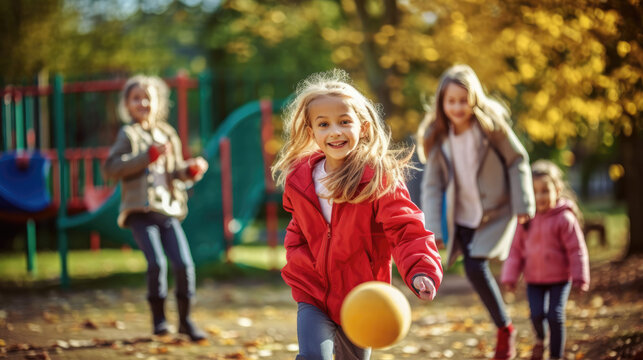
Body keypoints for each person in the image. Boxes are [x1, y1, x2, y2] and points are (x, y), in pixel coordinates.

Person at [271, 69, 443, 360]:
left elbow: (406, 228)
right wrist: (301, 264)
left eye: (344, 122)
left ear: (362, 127)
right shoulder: (300, 180)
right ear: (312, 132)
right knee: (313, 356)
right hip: (313, 293)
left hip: (362, 299)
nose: (335, 131)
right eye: (323, 124)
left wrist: (420, 269)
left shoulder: (378, 178)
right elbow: (298, 230)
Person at [417, 64, 535, 360]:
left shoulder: (490, 128)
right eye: (451, 101)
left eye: (463, 100)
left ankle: (505, 330)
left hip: (496, 211)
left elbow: (517, 159)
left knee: (474, 266)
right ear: (442, 103)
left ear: (474, 99)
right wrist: (434, 230)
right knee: (473, 268)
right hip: (463, 217)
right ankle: (505, 326)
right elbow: (431, 187)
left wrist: (523, 204)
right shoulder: (438, 139)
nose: (458, 107)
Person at [104, 75, 208, 341]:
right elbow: (111, 168)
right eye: (136, 98)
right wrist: (145, 157)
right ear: (127, 104)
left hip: (168, 211)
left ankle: (185, 320)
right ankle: (160, 320)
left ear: (158, 102)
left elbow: (175, 172)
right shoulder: (128, 134)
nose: (143, 102)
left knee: (185, 265)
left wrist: (191, 170)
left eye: (148, 97)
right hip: (140, 212)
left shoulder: (168, 133)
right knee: (157, 264)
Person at [501, 160, 590, 360]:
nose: (539, 196)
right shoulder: (526, 220)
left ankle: (556, 355)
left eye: (544, 191)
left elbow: (577, 250)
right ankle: (541, 340)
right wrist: (510, 277)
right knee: (536, 314)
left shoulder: (564, 219)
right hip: (534, 280)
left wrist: (580, 277)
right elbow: (515, 251)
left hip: (560, 279)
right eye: (534, 191)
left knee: (555, 316)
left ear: (557, 190)